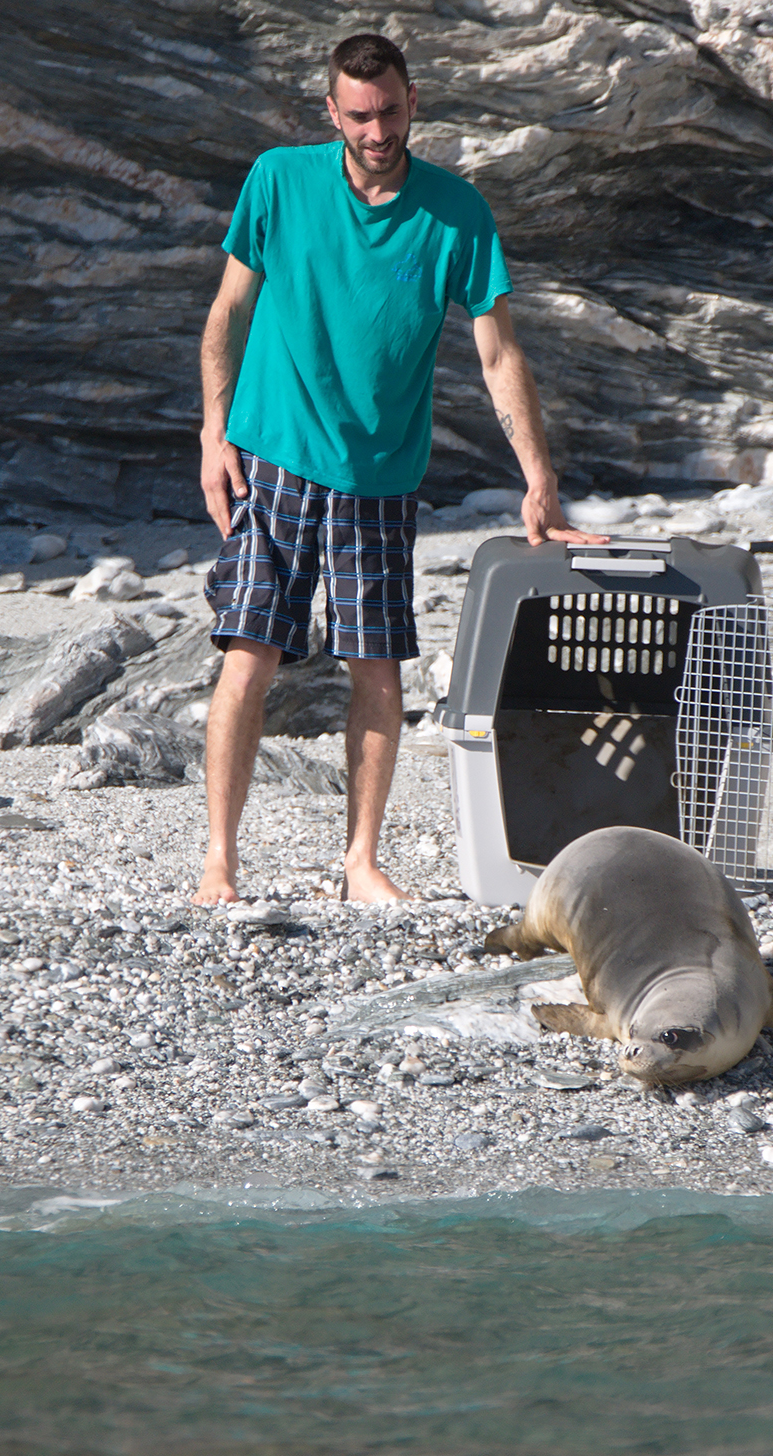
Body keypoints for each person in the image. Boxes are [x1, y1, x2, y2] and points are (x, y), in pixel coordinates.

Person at [193, 33, 594, 905]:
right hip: (272, 457)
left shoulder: (457, 212)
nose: (377, 130)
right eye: (360, 115)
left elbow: (498, 353)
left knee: (376, 669)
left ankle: (361, 864)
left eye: (391, 110)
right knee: (249, 657)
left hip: (379, 475)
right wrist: (212, 432)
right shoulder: (279, 181)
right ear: (332, 113)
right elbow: (229, 309)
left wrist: (538, 478)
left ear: (415, 101)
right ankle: (220, 862)